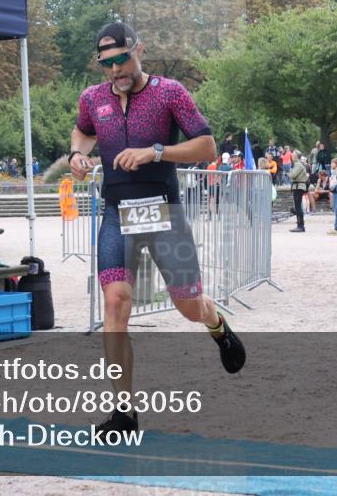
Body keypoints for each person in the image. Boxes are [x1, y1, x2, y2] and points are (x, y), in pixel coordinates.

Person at [68, 22, 245, 435]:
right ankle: (124, 413)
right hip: (117, 213)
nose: (115, 70)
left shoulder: (169, 92)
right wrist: (77, 154)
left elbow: (206, 145)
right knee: (115, 304)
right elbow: (83, 130)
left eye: (122, 59)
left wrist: (156, 152)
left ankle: (217, 326)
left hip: (162, 213)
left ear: (139, 50)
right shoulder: (93, 98)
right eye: (106, 63)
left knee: (188, 306)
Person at [288, 150, 309, 232]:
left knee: (298, 207)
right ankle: (300, 225)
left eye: (293, 154)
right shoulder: (298, 164)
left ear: (296, 156)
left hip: (298, 187)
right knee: (297, 206)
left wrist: (289, 173)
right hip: (297, 186)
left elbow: (292, 175)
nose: (292, 156)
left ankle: (300, 226)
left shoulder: (298, 164)